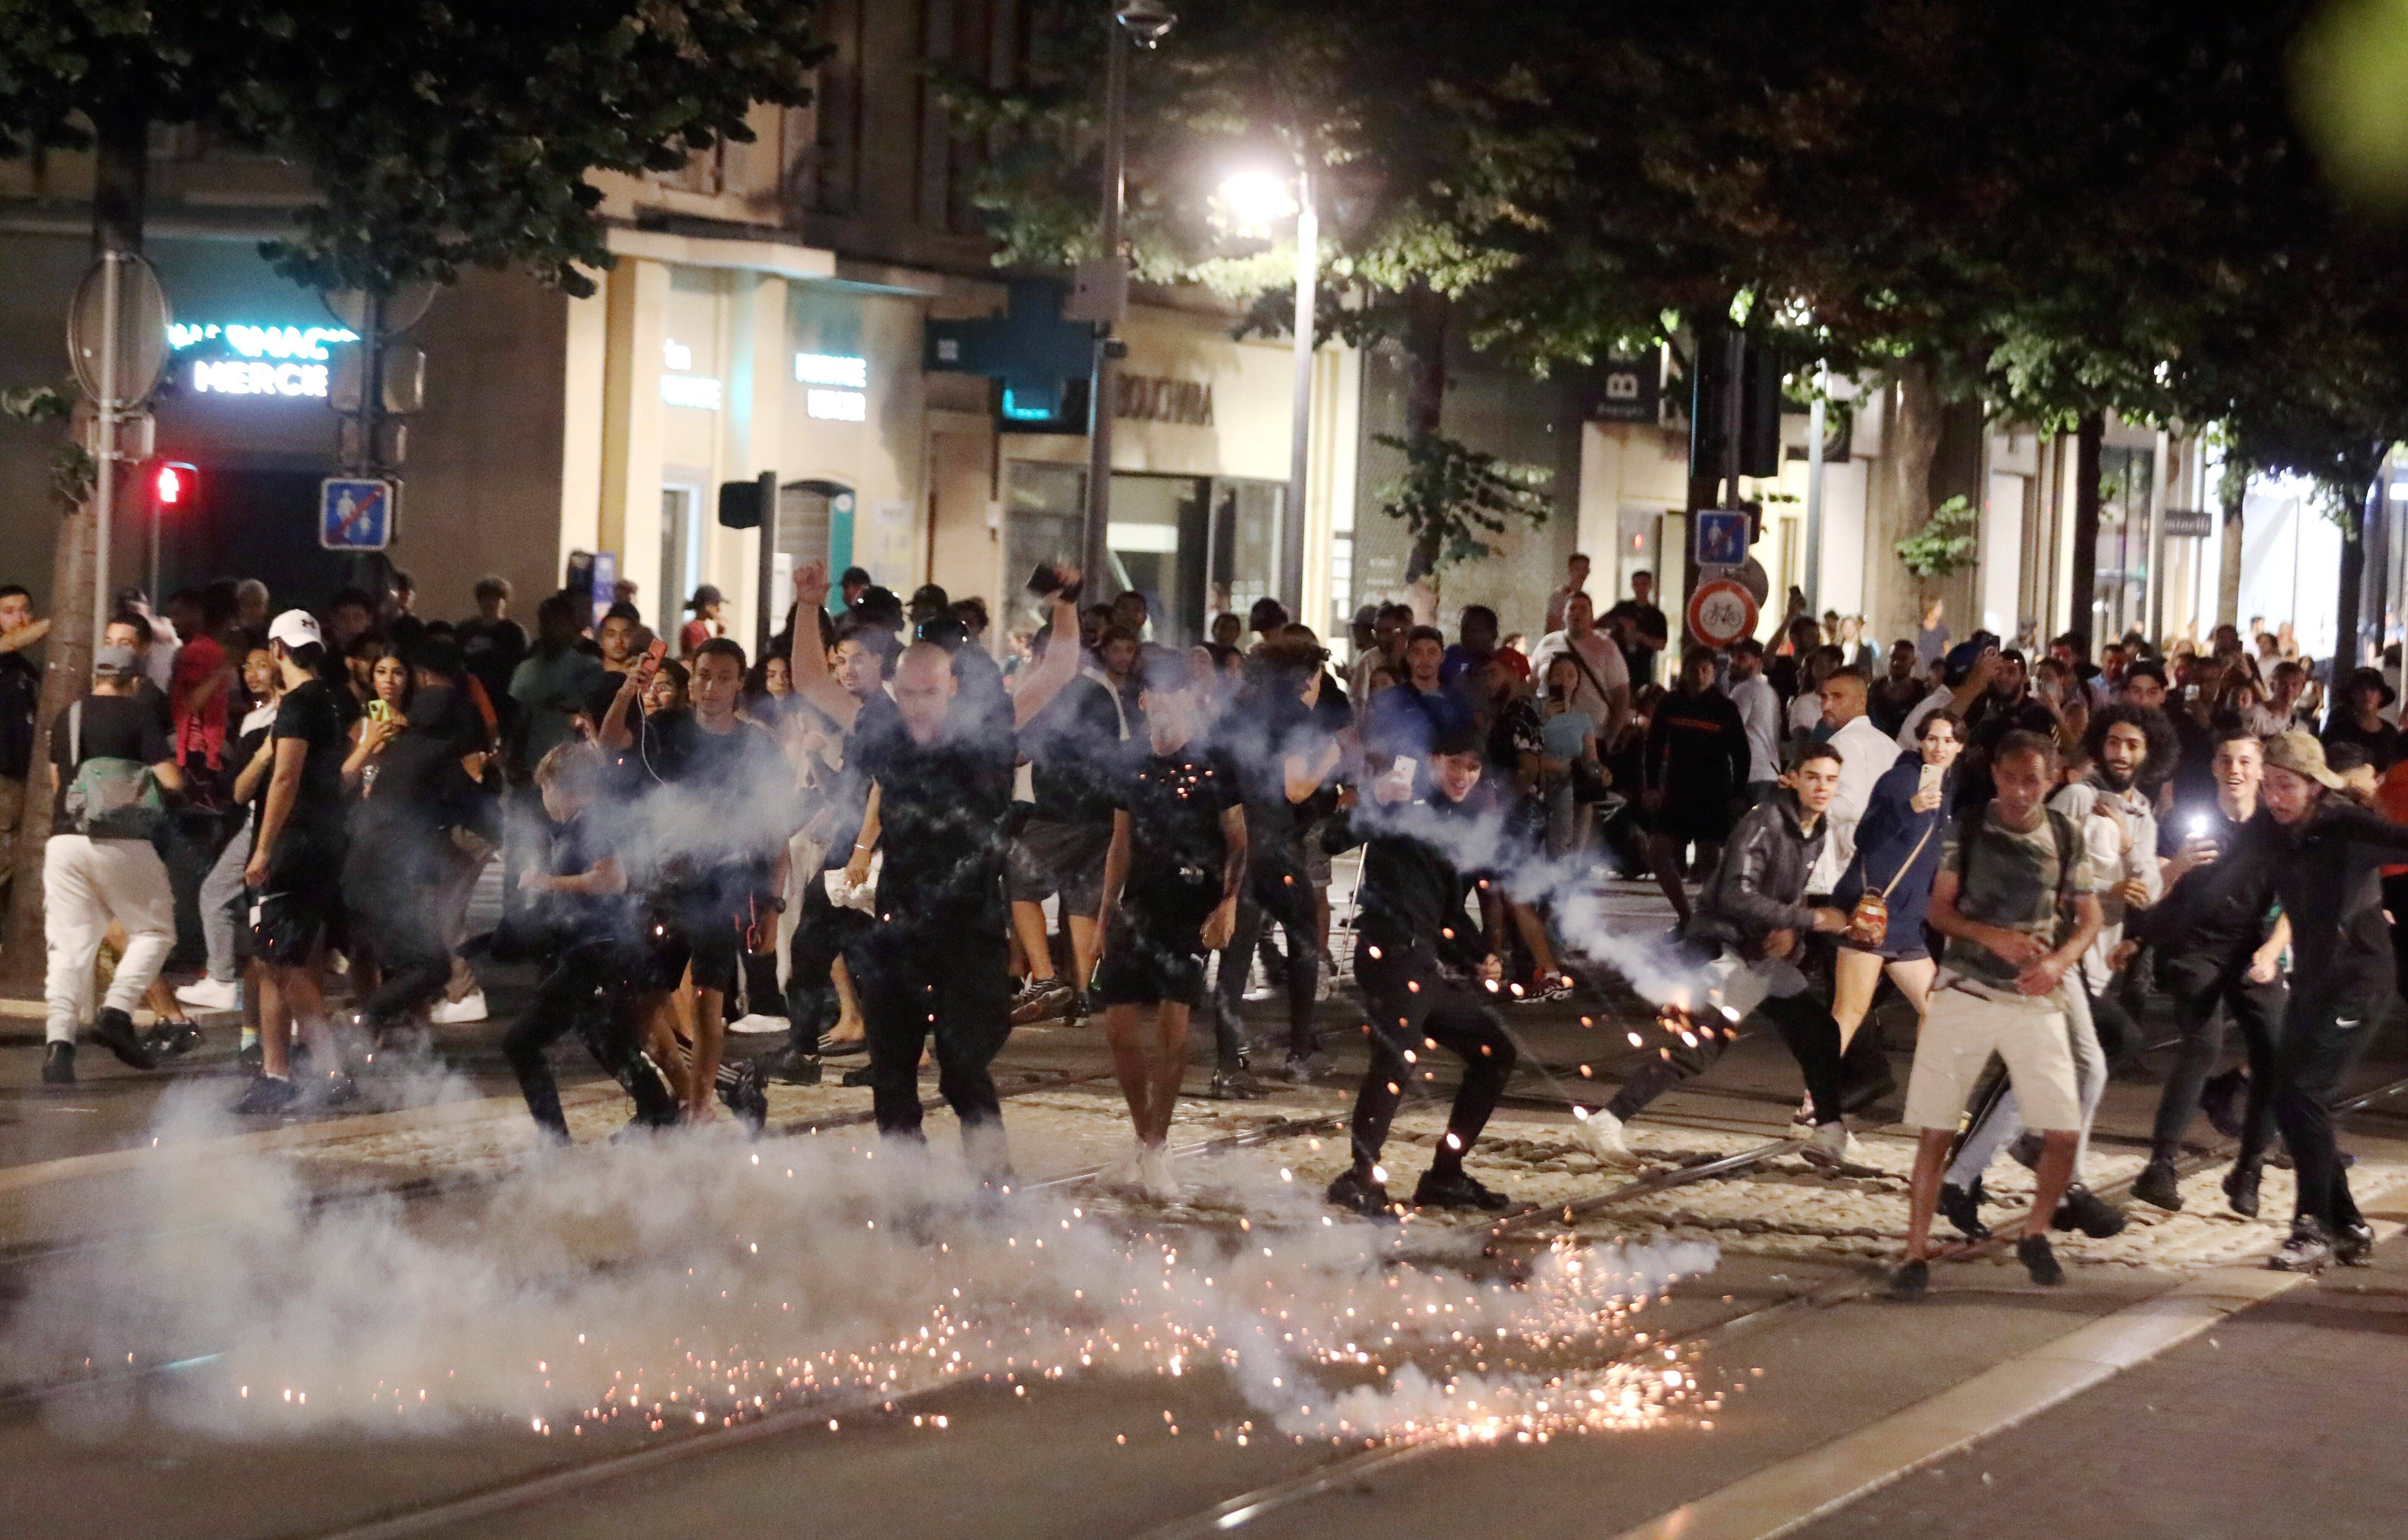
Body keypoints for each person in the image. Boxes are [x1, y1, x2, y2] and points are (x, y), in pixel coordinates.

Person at [788, 560, 1084, 1176]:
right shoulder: (884, 727)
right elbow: (813, 682)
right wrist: (809, 606)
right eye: (909, 693)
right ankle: (908, 1189)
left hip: (971, 927)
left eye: (931, 692)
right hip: (899, 923)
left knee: (962, 1068)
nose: (918, 705)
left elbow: (1057, 669)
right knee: (891, 1076)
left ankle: (992, 1182)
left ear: (953, 688)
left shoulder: (989, 728)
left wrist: (1064, 604)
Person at [1939, 707, 2169, 1240]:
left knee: (2059, 1070)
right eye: (2112, 742)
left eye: (2132, 745)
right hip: (2046, 952)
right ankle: (2055, 1179)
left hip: (2090, 960)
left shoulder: (2142, 816)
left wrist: (2134, 876)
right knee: (2076, 1065)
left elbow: (2152, 890)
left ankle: (2000, 1170)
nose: (2121, 754)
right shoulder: (2075, 799)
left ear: (2148, 753)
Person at [1890, 731, 2102, 1299]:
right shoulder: (1970, 828)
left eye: (2031, 780)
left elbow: (2089, 917)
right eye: (2010, 779)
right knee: (1936, 1129)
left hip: (2035, 996)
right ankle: (1915, 1251)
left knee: (2061, 1131)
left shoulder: (2065, 833)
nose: (2018, 791)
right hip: (1967, 988)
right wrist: (1990, 936)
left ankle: (2036, 1231)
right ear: (1997, 778)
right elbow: (1939, 908)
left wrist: (2059, 960)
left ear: (2051, 779)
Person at [1582, 744, 1859, 1167]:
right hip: (1724, 946)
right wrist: (1810, 920)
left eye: (1830, 780)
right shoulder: (1765, 821)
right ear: (1791, 779)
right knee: (1700, 1048)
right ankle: (1608, 1120)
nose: (1822, 788)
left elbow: (1787, 894)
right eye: (1812, 777)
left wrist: (1791, 934)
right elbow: (1734, 893)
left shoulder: (1815, 831)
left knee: (1817, 1030)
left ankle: (1829, 1128)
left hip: (1759, 952)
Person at [1324, 726, 1522, 1217]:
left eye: (1473, 768)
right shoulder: (1399, 799)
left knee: (1495, 1052)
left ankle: (1446, 1175)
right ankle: (1360, 1175)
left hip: (1426, 965)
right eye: (1455, 764)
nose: (1463, 777)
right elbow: (1332, 839)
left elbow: (1447, 911)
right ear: (1432, 761)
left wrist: (1479, 955)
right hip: (1389, 957)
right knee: (1397, 1059)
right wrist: (1372, 800)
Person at [601, 638, 787, 1128]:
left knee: (709, 1000)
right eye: (703, 675)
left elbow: (775, 833)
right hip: (661, 887)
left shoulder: (756, 747)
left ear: (739, 682)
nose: (711, 687)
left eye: (724, 677)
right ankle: (684, 1095)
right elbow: (608, 745)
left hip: (721, 888)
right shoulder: (664, 729)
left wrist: (770, 906)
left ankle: (699, 1108)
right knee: (636, 1011)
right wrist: (628, 691)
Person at [2243, 731, 2408, 1270]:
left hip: (2360, 977)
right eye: (2267, 785)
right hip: (2315, 980)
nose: (2273, 796)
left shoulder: (2345, 825)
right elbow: (2221, 878)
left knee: (2306, 1093)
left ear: (2314, 787)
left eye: (2284, 785)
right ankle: (2347, 1223)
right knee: (2290, 1096)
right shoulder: (2272, 829)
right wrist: (2152, 925)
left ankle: (2309, 1226)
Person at [1091, 649, 1247, 1196]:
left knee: (1174, 1030)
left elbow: (1238, 841)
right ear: (1143, 700)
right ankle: (1145, 1138)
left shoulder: (1214, 762)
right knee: (1117, 1028)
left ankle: (1157, 1146)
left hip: (1193, 905)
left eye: (1176, 691)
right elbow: (1119, 843)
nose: (1166, 701)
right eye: (1155, 691)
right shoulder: (1130, 762)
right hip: (1141, 903)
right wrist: (1106, 912)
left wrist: (1228, 902)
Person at [2131, 727, 2288, 1215]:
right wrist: (2176, 865)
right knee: (2202, 1042)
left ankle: (2249, 1169)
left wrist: (2271, 953)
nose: (2235, 770)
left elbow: (2295, 907)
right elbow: (2149, 890)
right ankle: (2159, 1166)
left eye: (2245, 761)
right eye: (2226, 761)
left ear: (2260, 771)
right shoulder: (2185, 821)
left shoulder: (2277, 830)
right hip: (2192, 950)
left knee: (2274, 1053)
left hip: (2251, 952)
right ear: (2215, 769)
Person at [500, 740, 681, 1140]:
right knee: (604, 1035)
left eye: (545, 789)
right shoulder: (588, 823)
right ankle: (658, 1112)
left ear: (560, 786)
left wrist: (546, 883)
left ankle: (556, 1142)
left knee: (520, 1042)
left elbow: (612, 880)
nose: (544, 799)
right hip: (600, 949)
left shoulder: (591, 823)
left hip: (598, 950)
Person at [38, 640, 183, 1084]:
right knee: (155, 931)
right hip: (122, 840)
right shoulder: (138, 714)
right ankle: (117, 1012)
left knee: (69, 948)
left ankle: (59, 1048)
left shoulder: (69, 716)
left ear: (97, 676)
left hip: (65, 840)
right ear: (135, 680)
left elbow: (57, 779)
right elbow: (170, 779)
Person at [237, 612, 356, 1113]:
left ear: (278, 650)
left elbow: (284, 779)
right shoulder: (332, 701)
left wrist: (264, 847)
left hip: (294, 844)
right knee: (273, 958)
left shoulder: (299, 706)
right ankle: (275, 1072)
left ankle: (330, 1070)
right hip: (326, 841)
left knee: (284, 963)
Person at [1007, 622, 1137, 1023]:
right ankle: (1082, 993)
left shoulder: (1050, 692)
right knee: (1083, 901)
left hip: (1058, 811)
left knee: (1018, 881)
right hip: (1102, 812)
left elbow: (1020, 753)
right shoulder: (1101, 689)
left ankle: (1046, 977)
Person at [1830, 711, 1961, 1086]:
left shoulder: (1947, 789)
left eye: (1949, 740)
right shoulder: (1899, 780)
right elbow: (1865, 837)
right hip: (1872, 917)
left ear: (1960, 747)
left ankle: (1933, 1097)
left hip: (1904, 926)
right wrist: (1910, 808)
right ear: (1920, 741)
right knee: (1849, 1013)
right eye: (1933, 739)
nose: (1940, 748)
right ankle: (1812, 1103)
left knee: (1935, 1009)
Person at [178, 643, 282, 1018]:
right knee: (229, 899)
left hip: (268, 825)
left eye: (261, 666)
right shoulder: (257, 716)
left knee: (219, 895)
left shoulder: (278, 715)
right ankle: (226, 980)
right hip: (256, 821)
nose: (252, 674)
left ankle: (223, 981)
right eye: (247, 667)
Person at [1641, 648, 1749, 930]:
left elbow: (1741, 754)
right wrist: (1652, 786)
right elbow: (1653, 747)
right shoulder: (1670, 704)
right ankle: (1685, 914)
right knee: (1657, 851)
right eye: (1695, 668)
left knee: (1709, 861)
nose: (1700, 675)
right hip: (1677, 789)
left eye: (1706, 669)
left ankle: (1711, 919)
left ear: (1715, 673)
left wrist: (1738, 793)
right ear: (1685, 670)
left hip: (1713, 792)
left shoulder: (1725, 709)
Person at [509, 595, 606, 774]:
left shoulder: (589, 667)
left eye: (559, 623)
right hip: (534, 764)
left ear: (572, 625)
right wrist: (515, 760)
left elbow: (594, 715)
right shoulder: (526, 670)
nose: (552, 629)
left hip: (575, 767)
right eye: (547, 622)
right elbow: (519, 720)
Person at [1530, 594, 1631, 747]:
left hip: (1592, 737)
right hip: (1549, 733)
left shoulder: (1606, 647)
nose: (1577, 613)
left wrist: (1611, 738)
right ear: (1564, 614)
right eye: (1573, 608)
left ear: (1591, 616)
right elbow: (1532, 685)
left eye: (1584, 609)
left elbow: (1621, 695)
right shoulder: (1547, 644)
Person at [1537, 652, 1605, 862]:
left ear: (1577, 682)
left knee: (1567, 843)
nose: (1564, 681)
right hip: (1539, 779)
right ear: (1548, 679)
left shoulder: (1583, 720)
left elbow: (1590, 759)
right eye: (1558, 675)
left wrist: (1600, 772)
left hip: (1568, 783)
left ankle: (1566, 874)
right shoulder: (1533, 710)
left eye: (1570, 676)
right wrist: (1543, 718)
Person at [0, 584, 50, 863]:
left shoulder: (25, 668)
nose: (20, 619)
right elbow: (12, 642)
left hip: (20, 776)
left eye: (26, 611)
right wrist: (59, 622)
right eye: (8, 612)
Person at [457, 576, 528, 721]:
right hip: (470, 700)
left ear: (504, 601)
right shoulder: (466, 629)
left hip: (501, 703)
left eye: (495, 598)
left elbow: (521, 668)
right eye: (485, 598)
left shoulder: (514, 632)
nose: (490, 603)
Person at [1726, 639, 1781, 804]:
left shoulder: (1744, 690)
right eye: (1733, 657)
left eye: (1742, 658)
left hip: (1750, 775)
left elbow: (1730, 731)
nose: (1734, 662)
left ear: (1758, 661)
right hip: (1770, 774)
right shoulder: (1770, 691)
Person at [2322, 665, 2403, 773]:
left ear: (2381, 696)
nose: (2366, 694)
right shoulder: (2337, 731)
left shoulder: (2391, 735)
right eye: (2361, 689)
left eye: (2373, 689)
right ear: (2352, 695)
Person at [1604, 570, 1670, 687]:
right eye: (1637, 585)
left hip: (1643, 670)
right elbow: (1601, 622)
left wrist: (1639, 637)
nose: (1640, 589)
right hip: (1619, 665)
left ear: (1650, 586)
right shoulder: (1623, 608)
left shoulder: (1657, 615)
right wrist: (1620, 621)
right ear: (1633, 586)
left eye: (1644, 584)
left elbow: (1661, 644)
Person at [1867, 639, 1925, 738]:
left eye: (1903, 659)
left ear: (1914, 662)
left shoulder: (1921, 691)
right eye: (1893, 657)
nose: (1896, 663)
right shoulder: (1876, 688)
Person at [1545, 553, 1590, 636]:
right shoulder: (1559, 596)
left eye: (1584, 569)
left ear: (1588, 571)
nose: (1581, 573)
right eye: (1577, 569)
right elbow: (1552, 625)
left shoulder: (1586, 599)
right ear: (1570, 570)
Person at [678, 585, 726, 658]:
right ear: (707, 606)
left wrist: (719, 635)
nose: (718, 610)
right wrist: (719, 637)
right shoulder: (694, 629)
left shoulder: (700, 627)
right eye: (716, 605)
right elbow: (702, 657)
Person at [1914, 597, 1950, 670]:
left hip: (1935, 670)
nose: (1942, 609)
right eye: (1939, 606)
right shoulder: (1918, 626)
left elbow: (1948, 652)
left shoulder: (1943, 629)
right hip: (1919, 669)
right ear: (1931, 608)